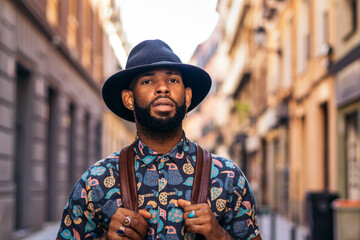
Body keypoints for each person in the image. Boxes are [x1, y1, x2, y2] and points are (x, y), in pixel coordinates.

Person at [57, 39, 261, 240]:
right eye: (148, 81)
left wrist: (219, 236)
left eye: (172, 80)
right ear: (129, 99)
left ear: (187, 97)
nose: (162, 88)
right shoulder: (96, 181)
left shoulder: (228, 178)